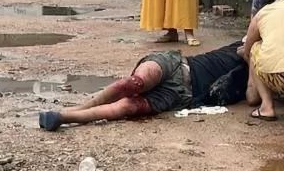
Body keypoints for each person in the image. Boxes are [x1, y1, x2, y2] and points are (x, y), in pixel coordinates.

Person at [38, 42, 248, 131]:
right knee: (132, 84)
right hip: (176, 64)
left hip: (181, 95)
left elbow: (254, 97)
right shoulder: (251, 39)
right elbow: (243, 47)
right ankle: (79, 108)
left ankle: (64, 117)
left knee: (126, 108)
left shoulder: (263, 75)